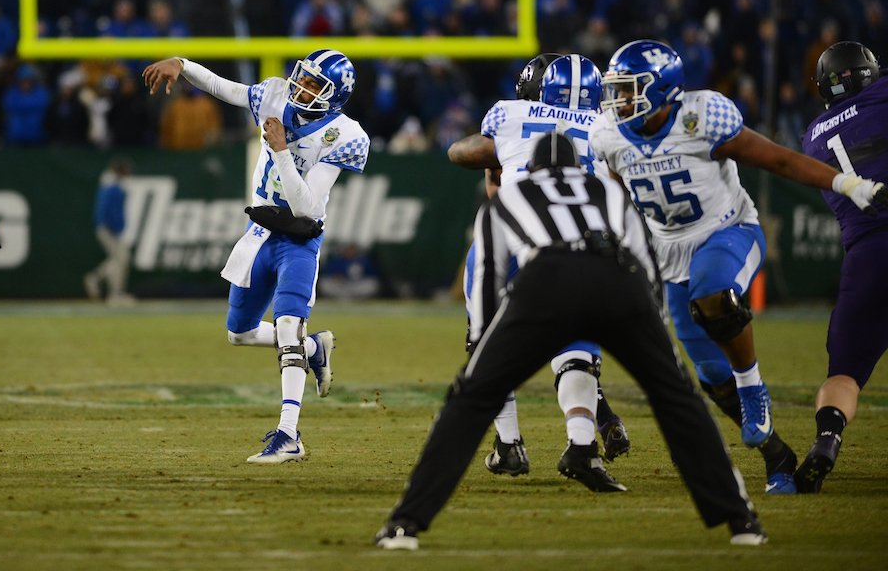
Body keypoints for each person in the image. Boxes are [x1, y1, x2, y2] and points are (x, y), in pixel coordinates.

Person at [375, 134, 769, 550]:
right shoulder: (608, 192)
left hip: (547, 280)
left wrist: (482, 350)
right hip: (619, 279)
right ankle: (742, 521)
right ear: (579, 167)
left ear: (531, 168)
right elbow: (646, 265)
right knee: (678, 399)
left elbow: (488, 271)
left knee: (469, 401)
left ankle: (405, 525)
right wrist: (651, 339)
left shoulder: (511, 197)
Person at [589, 40, 888, 495]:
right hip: (671, 253)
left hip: (728, 231)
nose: (620, 101)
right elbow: (616, 196)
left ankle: (754, 389)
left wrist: (847, 183)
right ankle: (776, 456)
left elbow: (778, 159)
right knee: (710, 374)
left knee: (713, 297)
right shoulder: (607, 134)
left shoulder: (702, 115)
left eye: (630, 90)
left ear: (663, 89)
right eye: (618, 91)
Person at [142, 49, 366, 463]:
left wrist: (281, 150)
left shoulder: (345, 135)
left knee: (285, 328)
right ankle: (315, 349)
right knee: (239, 332)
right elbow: (224, 88)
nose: (302, 86)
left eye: (315, 84)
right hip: (258, 233)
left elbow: (306, 207)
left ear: (334, 97)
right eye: (303, 77)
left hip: (298, 239)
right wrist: (184, 65)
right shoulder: (276, 96)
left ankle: (289, 434)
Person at [447, 53, 631, 487]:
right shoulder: (611, 128)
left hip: (510, 236)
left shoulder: (511, 115)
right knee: (578, 348)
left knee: (487, 343)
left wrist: (501, 160)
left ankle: (509, 444)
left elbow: (462, 153)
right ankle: (583, 443)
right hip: (579, 244)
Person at [796, 42, 888, 492]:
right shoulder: (882, 95)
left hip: (865, 259)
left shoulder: (811, 137)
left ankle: (827, 439)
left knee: (844, 374)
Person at [84, 159, 135, 306]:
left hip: (110, 229)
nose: (128, 174)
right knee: (121, 258)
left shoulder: (114, 185)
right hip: (108, 229)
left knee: (120, 259)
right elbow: (104, 210)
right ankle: (114, 294)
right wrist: (110, 227)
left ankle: (95, 279)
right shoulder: (111, 186)